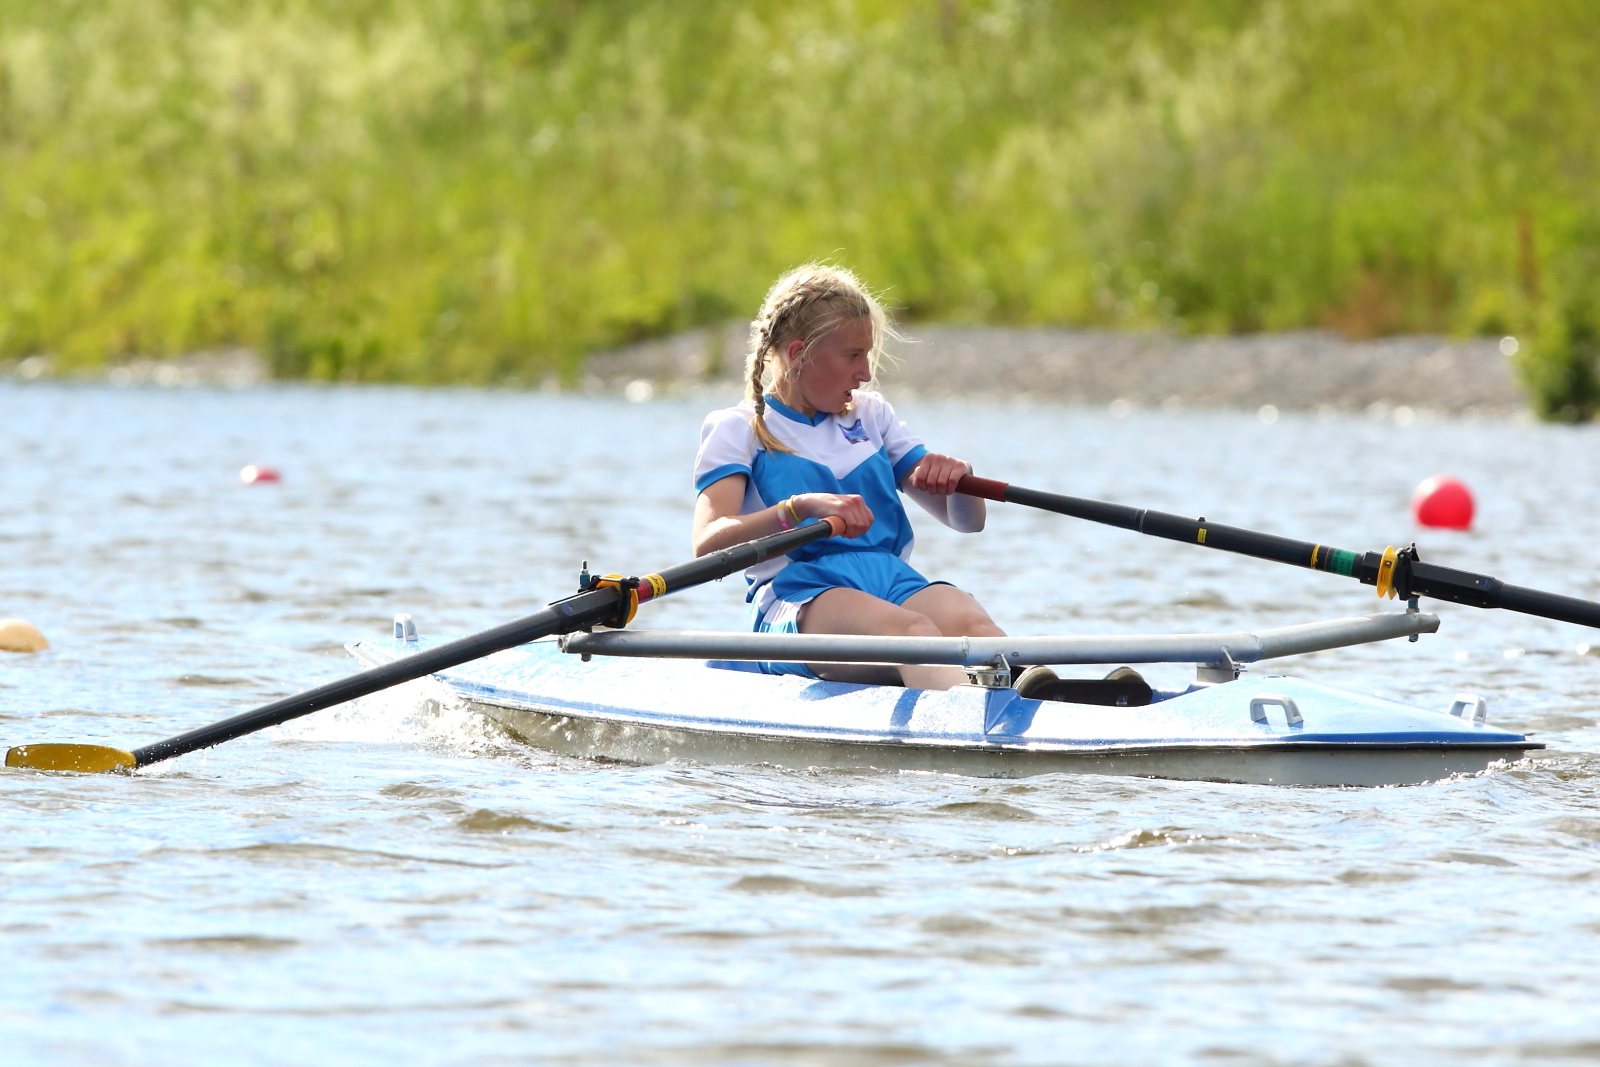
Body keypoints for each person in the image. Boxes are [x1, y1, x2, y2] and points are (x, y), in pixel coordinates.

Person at [690, 263, 1005, 691]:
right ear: (799, 354)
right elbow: (707, 542)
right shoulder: (739, 428)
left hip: (891, 580)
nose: (865, 373)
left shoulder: (872, 415)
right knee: (914, 634)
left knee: (981, 634)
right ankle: (977, 722)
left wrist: (960, 478)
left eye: (867, 355)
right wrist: (796, 510)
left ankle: (1050, 704)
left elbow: (967, 522)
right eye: (852, 356)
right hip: (799, 594)